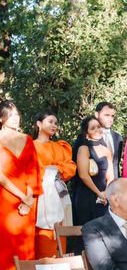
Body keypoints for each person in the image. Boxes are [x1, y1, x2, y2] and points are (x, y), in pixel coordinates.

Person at [0, 100, 42, 270]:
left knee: (25, 244)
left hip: (28, 198)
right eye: (11, 115)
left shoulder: (26, 139)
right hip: (5, 200)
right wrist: (21, 197)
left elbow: (34, 170)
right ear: (2, 118)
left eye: (17, 115)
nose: (16, 118)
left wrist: (30, 197)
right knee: (6, 245)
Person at [32, 110, 76, 258]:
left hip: (58, 194)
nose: (54, 125)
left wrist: (57, 169)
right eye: (50, 121)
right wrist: (48, 171)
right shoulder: (30, 146)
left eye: (56, 123)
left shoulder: (60, 146)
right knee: (42, 232)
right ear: (39, 124)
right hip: (39, 194)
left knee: (59, 232)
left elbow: (70, 167)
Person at [72, 116, 114, 226]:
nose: (97, 130)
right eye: (93, 128)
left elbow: (110, 175)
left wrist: (106, 192)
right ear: (86, 133)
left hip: (104, 196)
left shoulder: (106, 150)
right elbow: (83, 175)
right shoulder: (84, 148)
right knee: (88, 230)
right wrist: (98, 193)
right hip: (86, 195)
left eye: (98, 126)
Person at [94, 102, 123, 178]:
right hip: (93, 185)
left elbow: (115, 164)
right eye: (106, 115)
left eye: (112, 116)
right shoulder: (86, 136)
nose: (110, 119)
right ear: (96, 115)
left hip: (113, 185)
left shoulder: (118, 138)